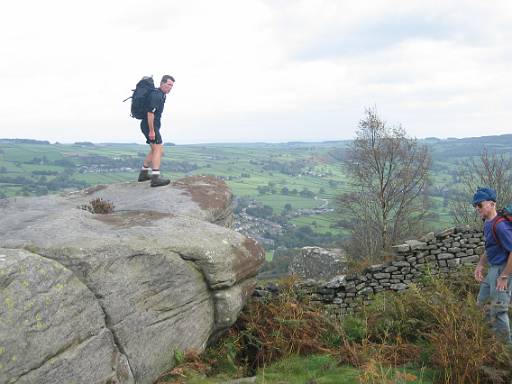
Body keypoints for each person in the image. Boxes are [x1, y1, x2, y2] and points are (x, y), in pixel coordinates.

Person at [473, 187, 512, 343]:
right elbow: (490, 247)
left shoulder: (500, 226)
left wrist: (504, 276)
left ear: (491, 204)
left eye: (479, 205)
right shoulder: (488, 223)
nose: (477, 208)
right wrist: (480, 265)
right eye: (475, 206)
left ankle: (506, 353)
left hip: (503, 271)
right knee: (480, 305)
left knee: (498, 311)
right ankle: (489, 343)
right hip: (492, 271)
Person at [137, 75, 175, 187]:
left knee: (156, 150)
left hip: (150, 125)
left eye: (172, 86)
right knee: (158, 149)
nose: (170, 87)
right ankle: (155, 178)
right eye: (169, 84)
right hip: (150, 125)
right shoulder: (156, 95)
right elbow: (150, 113)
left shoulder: (161, 94)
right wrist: (152, 131)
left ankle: (143, 174)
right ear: (162, 83)